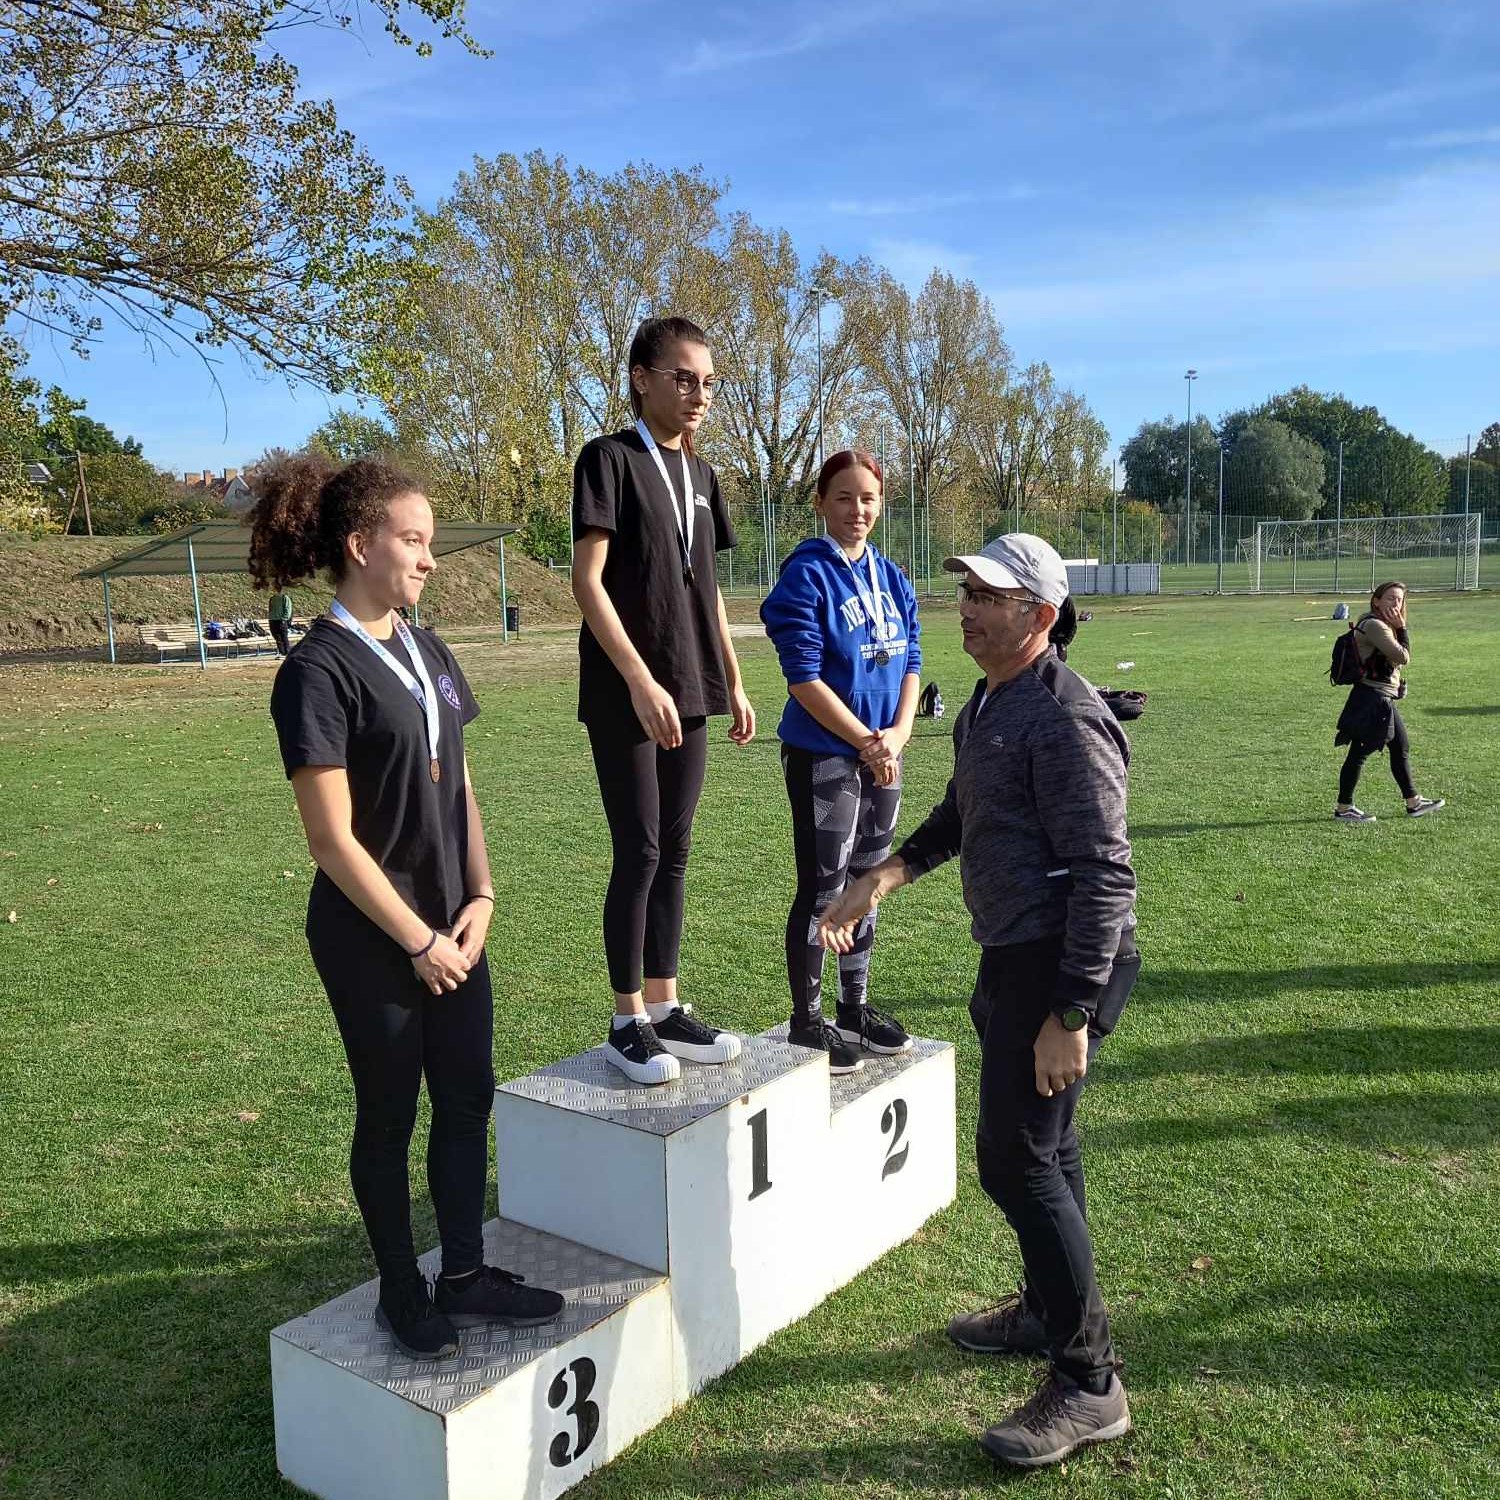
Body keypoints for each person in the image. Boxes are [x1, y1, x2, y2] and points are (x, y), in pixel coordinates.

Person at [820, 534, 1138, 1469]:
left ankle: (1090, 1382)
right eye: (966, 591)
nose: (965, 607)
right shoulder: (988, 703)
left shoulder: (1065, 718)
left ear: (1039, 616)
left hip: (1060, 961)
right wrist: (883, 876)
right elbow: (963, 813)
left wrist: (1071, 1014)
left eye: (989, 597)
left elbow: (1106, 875)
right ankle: (1047, 1312)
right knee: (1049, 1149)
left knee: (1014, 1160)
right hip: (1013, 953)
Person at [253, 455, 564, 1361]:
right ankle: (402, 1290)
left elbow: (458, 785)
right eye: (414, 540)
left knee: (466, 1099)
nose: (430, 559)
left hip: (453, 927)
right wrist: (418, 940)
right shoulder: (315, 671)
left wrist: (482, 893)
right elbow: (331, 840)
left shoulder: (430, 651)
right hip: (372, 936)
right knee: (390, 1114)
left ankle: (463, 1276)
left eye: (430, 542)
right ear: (361, 545)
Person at [571, 316, 756, 1085]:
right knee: (641, 849)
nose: (698, 394)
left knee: (676, 849)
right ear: (641, 379)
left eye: (708, 382)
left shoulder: (704, 476)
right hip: (629, 692)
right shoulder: (608, 459)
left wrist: (732, 678)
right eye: (683, 378)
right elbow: (587, 583)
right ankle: (627, 1021)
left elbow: (706, 593)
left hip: (693, 685)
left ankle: (665, 1004)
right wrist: (640, 680)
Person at [760, 449, 920, 1074]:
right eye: (845, 497)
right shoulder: (806, 574)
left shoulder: (893, 576)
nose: (858, 510)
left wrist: (898, 734)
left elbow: (911, 660)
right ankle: (807, 1022)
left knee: (868, 882)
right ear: (821, 503)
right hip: (826, 752)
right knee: (824, 885)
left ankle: (854, 1008)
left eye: (869, 498)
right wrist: (866, 742)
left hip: (884, 752)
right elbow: (803, 677)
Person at [1333, 580, 1445, 823]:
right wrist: (1402, 628)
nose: (1396, 603)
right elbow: (1402, 656)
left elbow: (1388, 663)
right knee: (1359, 753)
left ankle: (1413, 802)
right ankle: (1344, 808)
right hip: (1371, 700)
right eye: (1390, 598)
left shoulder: (1381, 624)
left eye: (1400, 599)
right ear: (1376, 601)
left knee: (1400, 746)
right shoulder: (1374, 625)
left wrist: (1395, 687)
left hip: (1380, 697)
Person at [268, 587, 293, 656]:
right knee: (277, 638)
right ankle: (282, 653)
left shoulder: (285, 598)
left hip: (281, 620)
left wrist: (284, 619)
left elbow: (288, 609)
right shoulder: (272, 598)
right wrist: (270, 617)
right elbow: (270, 609)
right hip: (273, 620)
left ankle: (287, 652)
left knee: (283, 637)